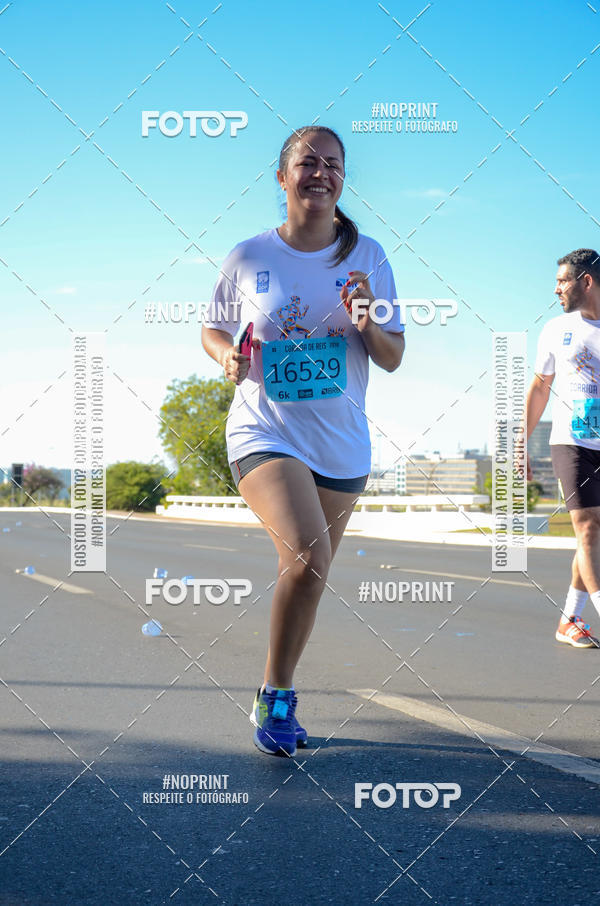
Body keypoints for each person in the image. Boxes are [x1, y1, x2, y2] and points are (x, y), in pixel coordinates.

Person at [201, 125, 405, 756]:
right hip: (265, 430)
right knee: (308, 557)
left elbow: (393, 356)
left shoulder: (368, 256)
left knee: (307, 574)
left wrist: (369, 317)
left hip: (341, 444)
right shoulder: (248, 257)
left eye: (333, 164)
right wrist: (228, 356)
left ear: (343, 178)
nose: (321, 172)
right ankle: (279, 703)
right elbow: (213, 330)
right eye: (307, 163)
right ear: (282, 176)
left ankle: (274, 687)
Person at [526, 248, 600, 649]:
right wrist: (520, 442)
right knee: (587, 524)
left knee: (592, 537)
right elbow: (540, 386)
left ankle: (569, 620)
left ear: (585, 281)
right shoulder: (556, 329)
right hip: (572, 442)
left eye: (562, 281)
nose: (555, 289)